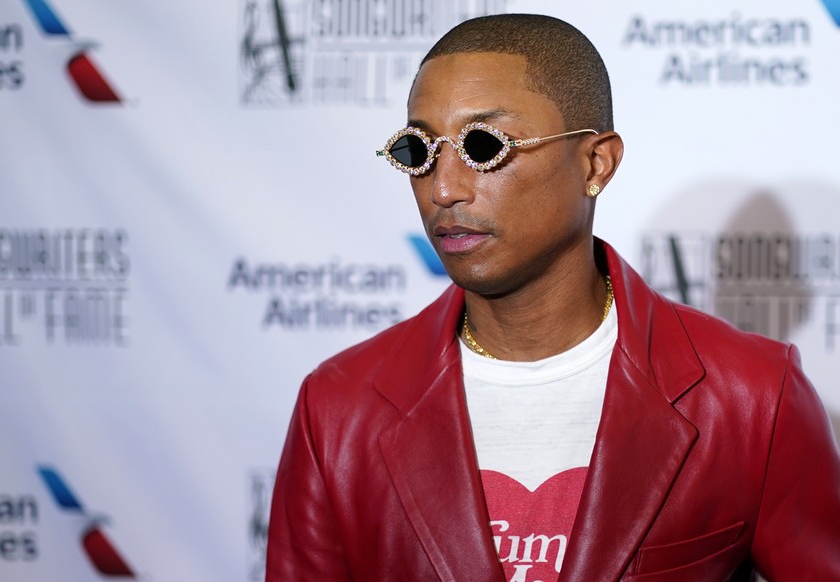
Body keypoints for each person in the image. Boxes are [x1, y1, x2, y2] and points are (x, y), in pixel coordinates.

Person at [266, 13, 840, 582]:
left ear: (596, 162)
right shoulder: (338, 410)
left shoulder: (751, 397)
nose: (444, 189)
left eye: (484, 145)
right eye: (419, 152)